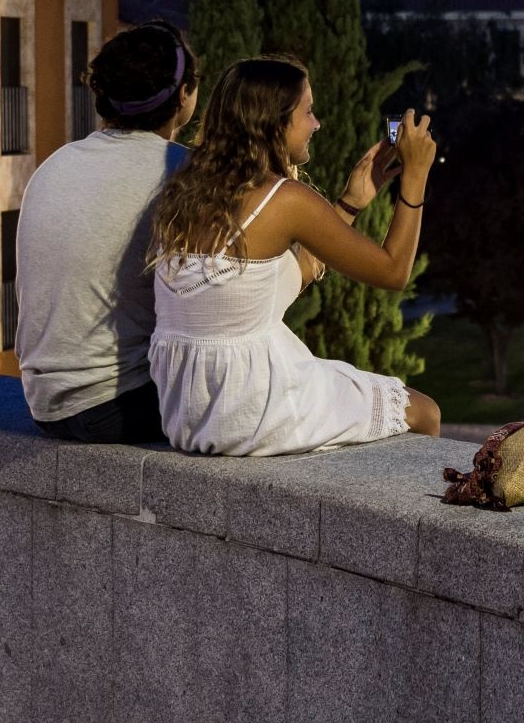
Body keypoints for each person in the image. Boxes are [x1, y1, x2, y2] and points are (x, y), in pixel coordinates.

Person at [146, 55, 442, 455]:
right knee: (425, 412)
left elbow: (259, 290)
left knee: (343, 380)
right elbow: (393, 273)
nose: (316, 123)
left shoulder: (185, 190)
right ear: (275, 121)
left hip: (193, 411)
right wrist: (416, 176)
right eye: (308, 111)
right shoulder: (284, 199)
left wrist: (351, 204)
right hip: (255, 407)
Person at [13, 21, 200, 443]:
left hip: (43, 404)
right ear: (184, 96)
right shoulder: (184, 172)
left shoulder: (56, 163)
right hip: (119, 404)